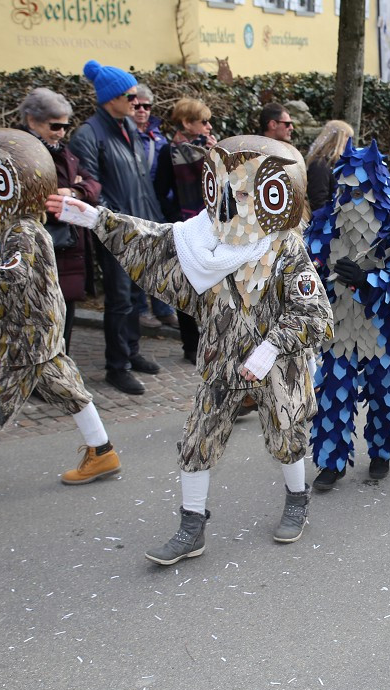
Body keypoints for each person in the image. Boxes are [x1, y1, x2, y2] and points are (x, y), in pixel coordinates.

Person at [50, 134, 334, 563]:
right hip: (221, 361)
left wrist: (271, 347)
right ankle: (191, 526)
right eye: (227, 188)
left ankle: (297, 498)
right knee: (198, 438)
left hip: (277, 363)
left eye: (244, 192)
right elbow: (155, 239)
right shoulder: (204, 240)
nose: (232, 201)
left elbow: (316, 313)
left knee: (286, 434)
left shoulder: (285, 249)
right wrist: (96, 219)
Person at [0, 129, 120, 523]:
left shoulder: (25, 232)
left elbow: (9, 279)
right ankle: (101, 453)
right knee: (67, 388)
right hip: (18, 331)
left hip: (29, 334)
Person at [306, 140, 390, 488]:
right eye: (346, 189)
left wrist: (368, 280)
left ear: (376, 188)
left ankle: (382, 451)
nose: (352, 199)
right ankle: (332, 461)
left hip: (382, 327)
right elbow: (308, 269)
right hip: (339, 326)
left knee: (385, 391)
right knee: (332, 392)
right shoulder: (325, 224)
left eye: (361, 191)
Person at [69, 60, 163, 396]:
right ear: (112, 99)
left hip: (141, 226)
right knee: (120, 297)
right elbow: (92, 186)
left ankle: (132, 352)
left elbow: (140, 180)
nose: (138, 103)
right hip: (116, 230)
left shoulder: (129, 130)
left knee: (137, 294)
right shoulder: (89, 134)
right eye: (131, 96)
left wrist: (152, 221)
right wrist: (117, 223)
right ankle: (117, 365)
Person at [17, 88, 101, 355]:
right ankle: (43, 370)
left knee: (65, 311)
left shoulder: (64, 152)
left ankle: (59, 367)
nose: (61, 132)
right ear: (32, 121)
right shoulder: (23, 152)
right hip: (44, 243)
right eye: (55, 125)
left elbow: (93, 184)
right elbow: (36, 198)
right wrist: (68, 193)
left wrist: (74, 192)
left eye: (65, 126)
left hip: (70, 244)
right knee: (40, 313)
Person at [152, 97, 217, 366]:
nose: (208, 126)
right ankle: (191, 345)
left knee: (214, 284)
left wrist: (217, 155)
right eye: (203, 121)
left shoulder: (214, 147)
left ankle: (214, 340)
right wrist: (176, 218)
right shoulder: (170, 151)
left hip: (214, 224)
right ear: (187, 123)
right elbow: (159, 189)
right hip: (188, 226)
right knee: (188, 286)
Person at [132, 83, 178, 331]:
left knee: (160, 259)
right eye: (137, 105)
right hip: (132, 206)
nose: (141, 110)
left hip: (156, 207)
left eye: (146, 106)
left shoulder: (158, 138)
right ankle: (141, 310)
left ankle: (163, 308)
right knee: (137, 259)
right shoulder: (128, 136)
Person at [305, 119, 354, 212]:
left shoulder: (336, 163)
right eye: (347, 136)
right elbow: (319, 201)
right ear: (337, 138)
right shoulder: (320, 164)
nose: (349, 141)